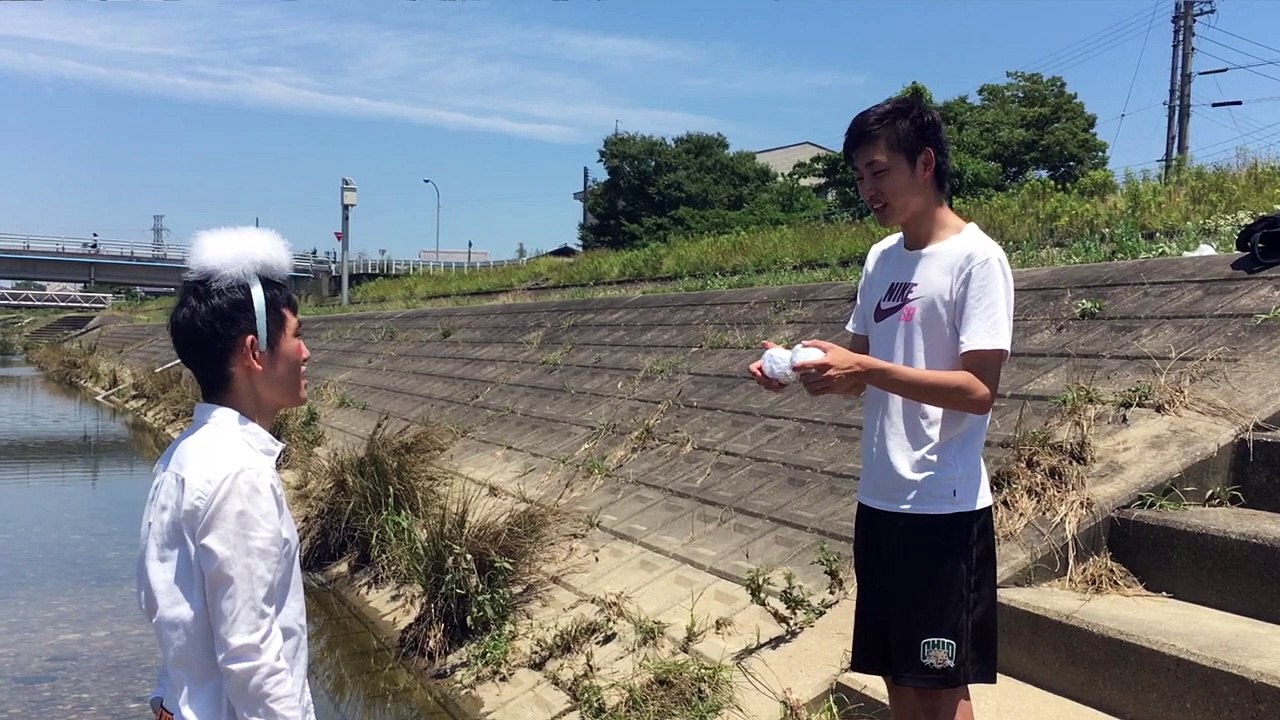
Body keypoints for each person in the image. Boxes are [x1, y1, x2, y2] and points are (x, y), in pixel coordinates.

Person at [749, 95, 1014, 720]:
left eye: (878, 171)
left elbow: (979, 391)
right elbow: (862, 366)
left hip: (942, 505)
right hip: (881, 496)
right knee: (896, 671)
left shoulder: (978, 259)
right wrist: (805, 368)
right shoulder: (881, 259)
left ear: (925, 163)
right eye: (860, 176)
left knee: (941, 686)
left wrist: (864, 369)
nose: (868, 188)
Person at [136, 226, 316, 720]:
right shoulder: (239, 474)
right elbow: (251, 655)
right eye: (298, 337)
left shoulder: (184, 457)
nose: (306, 354)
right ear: (254, 352)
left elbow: (170, 612)